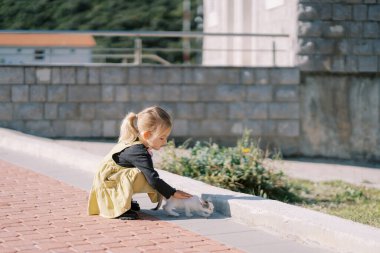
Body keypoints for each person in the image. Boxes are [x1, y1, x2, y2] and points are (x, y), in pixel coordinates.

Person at [88, 106, 192, 220]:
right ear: (147, 135)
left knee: (140, 173)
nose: (165, 142)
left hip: (109, 181)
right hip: (106, 185)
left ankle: (122, 201)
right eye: (162, 138)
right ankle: (119, 206)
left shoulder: (134, 140)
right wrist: (172, 193)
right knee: (141, 174)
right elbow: (153, 179)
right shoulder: (138, 151)